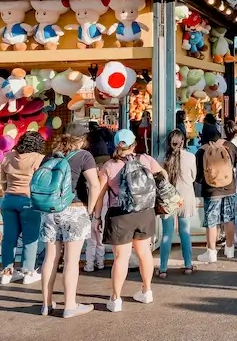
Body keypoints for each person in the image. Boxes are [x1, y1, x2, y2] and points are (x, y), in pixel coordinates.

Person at [97, 129, 164, 313]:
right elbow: (163, 177)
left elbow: (99, 195)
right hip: (145, 212)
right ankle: (147, 291)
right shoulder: (146, 159)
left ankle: (116, 298)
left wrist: (96, 217)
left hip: (120, 215)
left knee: (121, 258)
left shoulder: (109, 166)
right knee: (144, 253)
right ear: (135, 143)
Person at [40, 125, 101, 318]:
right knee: (71, 261)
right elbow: (94, 184)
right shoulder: (84, 156)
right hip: (74, 210)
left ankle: (46, 304)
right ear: (82, 138)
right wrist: (90, 211)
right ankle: (70, 305)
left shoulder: (51, 155)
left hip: (50, 211)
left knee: (50, 258)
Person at [0, 131, 45, 286]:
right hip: (29, 201)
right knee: (30, 238)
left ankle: (6, 272)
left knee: (9, 238)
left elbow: (3, 182)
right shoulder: (39, 159)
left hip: (9, 200)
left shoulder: (8, 157)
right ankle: (28, 272)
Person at [196, 120, 237, 263]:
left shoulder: (202, 150)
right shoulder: (229, 146)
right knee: (229, 218)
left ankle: (211, 252)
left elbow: (198, 175)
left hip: (211, 190)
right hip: (229, 187)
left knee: (211, 221)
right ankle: (230, 249)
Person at [158, 129, 197, 277]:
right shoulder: (190, 157)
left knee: (167, 234)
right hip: (186, 196)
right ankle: (188, 265)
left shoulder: (162, 158)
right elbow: (193, 177)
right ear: (183, 142)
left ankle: (163, 268)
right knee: (185, 232)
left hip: (168, 199)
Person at [84, 127, 112, 272]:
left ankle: (89, 264)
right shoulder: (105, 178)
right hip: (102, 210)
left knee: (91, 240)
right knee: (99, 239)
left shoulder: (89, 176)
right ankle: (100, 262)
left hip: (89, 209)